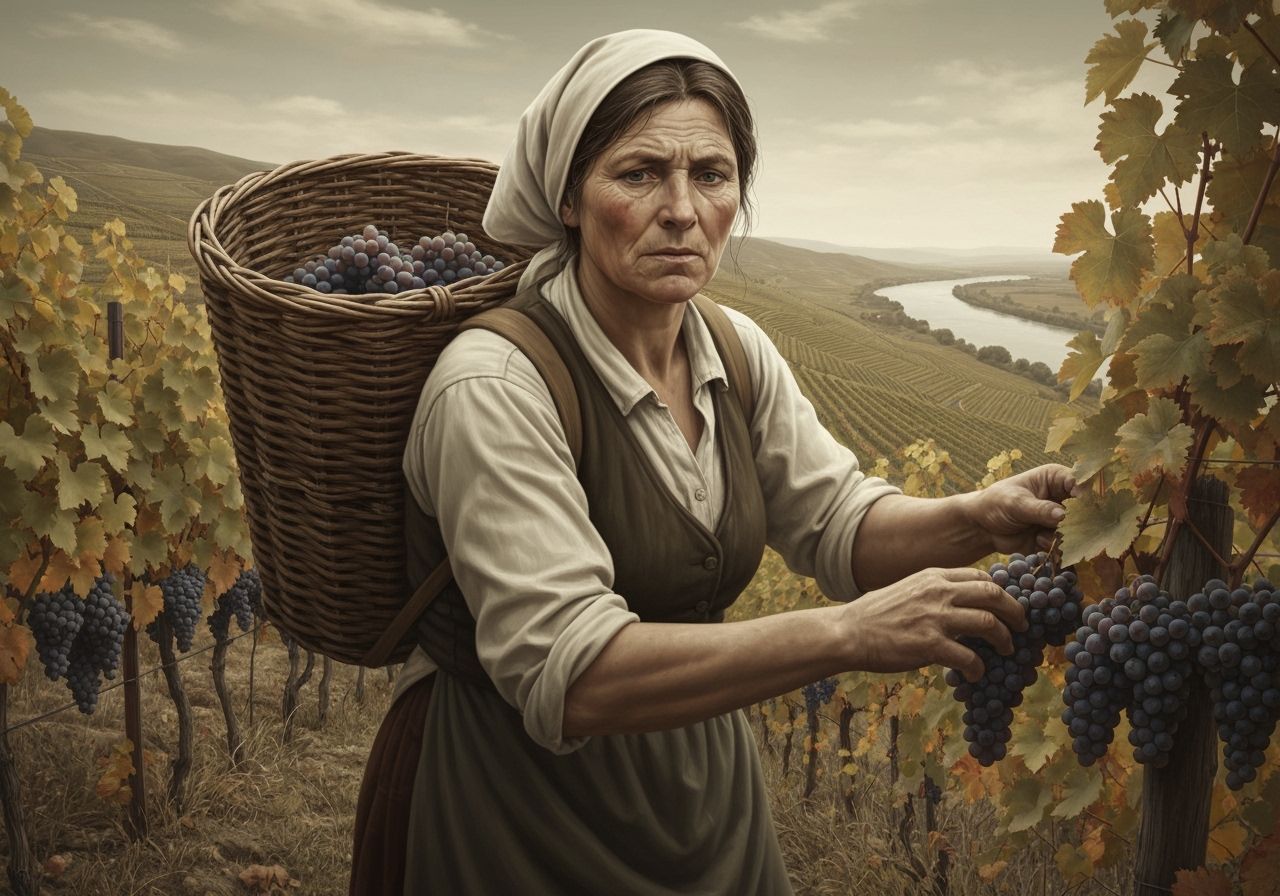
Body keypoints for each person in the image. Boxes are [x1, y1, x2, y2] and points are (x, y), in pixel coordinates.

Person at [349, 28, 1076, 896]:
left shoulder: (735, 349)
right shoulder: (497, 384)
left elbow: (839, 523)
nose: (683, 210)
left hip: (704, 796)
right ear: (569, 199)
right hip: (517, 808)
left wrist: (977, 516)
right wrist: (846, 634)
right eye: (639, 173)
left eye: (712, 174)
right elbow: (569, 674)